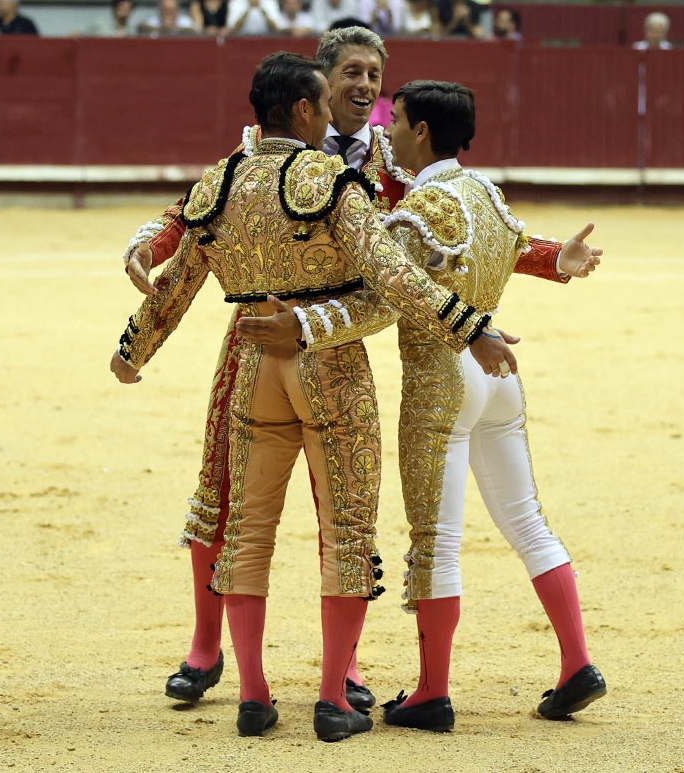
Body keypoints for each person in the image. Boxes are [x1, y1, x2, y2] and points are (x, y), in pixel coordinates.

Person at [122, 24, 574, 716]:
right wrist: (151, 243)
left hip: (332, 333)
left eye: (375, 75)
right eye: (352, 74)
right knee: (224, 489)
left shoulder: (390, 164)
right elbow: (193, 214)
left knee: (328, 504)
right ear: (317, 88)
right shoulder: (280, 156)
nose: (365, 88)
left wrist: (548, 259)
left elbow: (452, 235)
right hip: (282, 334)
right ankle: (205, 646)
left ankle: (339, 667)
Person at [241, 80, 605, 732]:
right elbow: (518, 244)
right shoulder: (485, 193)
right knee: (528, 522)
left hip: (444, 379)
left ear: (424, 133)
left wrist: (307, 325)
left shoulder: (419, 211)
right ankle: (577, 660)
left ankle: (431, 692)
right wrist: (562, 261)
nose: (390, 131)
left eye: (399, 120)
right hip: (498, 372)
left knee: (435, 544)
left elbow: (382, 303)